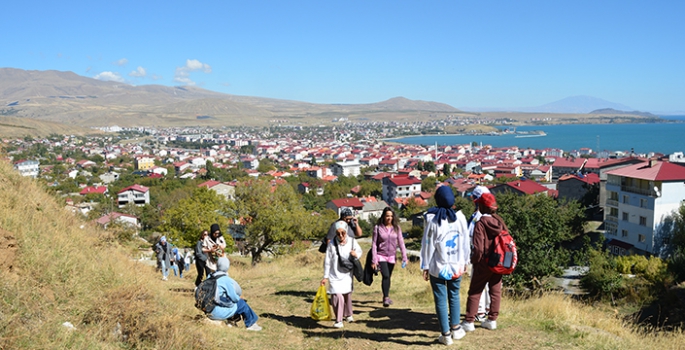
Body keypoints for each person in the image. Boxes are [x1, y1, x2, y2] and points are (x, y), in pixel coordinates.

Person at [420, 185, 470, 346]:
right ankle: (456, 328)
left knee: (441, 300)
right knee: (454, 295)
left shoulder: (432, 219)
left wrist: (425, 266)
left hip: (438, 266)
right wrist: (466, 261)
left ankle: (446, 334)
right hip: (457, 265)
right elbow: (465, 243)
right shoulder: (460, 217)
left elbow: (428, 245)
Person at [462, 192, 505, 332]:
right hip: (498, 261)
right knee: (495, 291)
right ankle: (492, 320)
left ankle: (469, 321)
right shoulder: (499, 221)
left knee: (475, 291)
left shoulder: (480, 223)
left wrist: (474, 261)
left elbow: (478, 247)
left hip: (484, 262)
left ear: (481, 206)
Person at [321, 221, 362, 329]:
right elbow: (327, 261)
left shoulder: (352, 242)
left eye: (343, 233)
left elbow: (359, 252)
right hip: (334, 274)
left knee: (347, 294)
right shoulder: (331, 244)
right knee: (337, 296)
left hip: (347, 274)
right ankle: (339, 320)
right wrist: (325, 276)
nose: (340, 236)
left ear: (346, 232)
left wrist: (355, 255)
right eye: (338, 233)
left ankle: (348, 314)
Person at [207, 256, 263, 331]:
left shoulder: (210, 277)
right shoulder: (225, 279)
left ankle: (231, 321)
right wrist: (238, 298)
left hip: (208, 309)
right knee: (241, 304)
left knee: (225, 299)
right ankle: (251, 324)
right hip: (217, 312)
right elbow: (235, 297)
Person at [371, 206, 408, 307]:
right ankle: (386, 297)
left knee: (388, 277)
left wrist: (405, 257)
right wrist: (374, 260)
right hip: (381, 255)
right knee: (386, 275)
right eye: (387, 216)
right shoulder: (378, 228)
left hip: (392, 256)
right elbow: (374, 244)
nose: (389, 218)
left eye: (391, 216)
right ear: (383, 216)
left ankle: (386, 296)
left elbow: (401, 242)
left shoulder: (396, 228)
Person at [469, 185, 492, 322]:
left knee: (478, 284)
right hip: (493, 255)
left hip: (480, 255)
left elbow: (470, 236)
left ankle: (480, 311)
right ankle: (489, 309)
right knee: (490, 283)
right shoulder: (494, 216)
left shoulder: (477, 217)